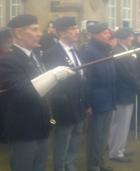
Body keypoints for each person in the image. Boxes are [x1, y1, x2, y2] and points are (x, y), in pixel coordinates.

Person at [0, 14, 75, 171]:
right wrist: (54, 75)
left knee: (39, 166)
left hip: (41, 125)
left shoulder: (34, 56)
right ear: (19, 33)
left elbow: (45, 91)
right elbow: (25, 93)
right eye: (34, 30)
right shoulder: (7, 60)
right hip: (24, 130)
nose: (40, 33)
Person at [43, 16, 86, 171]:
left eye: (76, 28)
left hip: (79, 103)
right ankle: (60, 167)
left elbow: (81, 76)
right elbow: (52, 83)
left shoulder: (76, 50)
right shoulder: (52, 53)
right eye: (73, 29)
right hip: (64, 106)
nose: (77, 31)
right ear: (62, 33)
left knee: (76, 139)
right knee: (63, 141)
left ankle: (70, 164)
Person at [82, 22, 115, 171]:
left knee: (103, 136)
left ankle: (101, 163)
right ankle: (93, 165)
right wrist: (87, 103)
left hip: (108, 98)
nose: (109, 35)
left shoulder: (105, 50)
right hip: (96, 101)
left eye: (108, 32)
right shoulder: (90, 51)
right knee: (95, 137)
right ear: (95, 35)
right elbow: (87, 79)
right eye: (105, 33)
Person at [108, 28, 140, 162]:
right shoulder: (120, 52)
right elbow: (127, 74)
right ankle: (117, 152)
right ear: (123, 38)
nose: (132, 39)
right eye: (130, 37)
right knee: (122, 124)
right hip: (124, 93)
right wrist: (139, 87)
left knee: (117, 123)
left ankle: (116, 148)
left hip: (122, 92)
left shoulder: (120, 50)